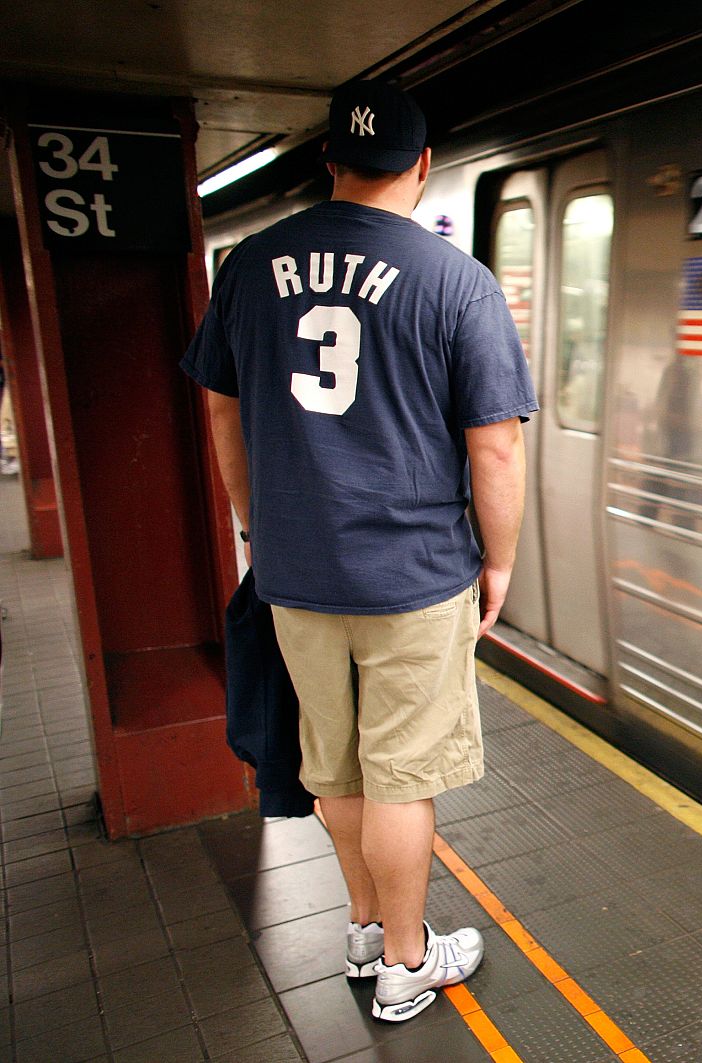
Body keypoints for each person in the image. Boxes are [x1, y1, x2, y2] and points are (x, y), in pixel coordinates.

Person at [182, 81, 537, 1023]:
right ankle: (407, 963)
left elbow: (221, 409)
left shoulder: (251, 266)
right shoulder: (456, 280)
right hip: (413, 574)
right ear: (420, 167)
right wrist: (498, 562)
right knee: (403, 775)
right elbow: (494, 442)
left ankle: (363, 925)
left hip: (296, 572)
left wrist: (260, 519)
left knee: (332, 763)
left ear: (327, 163)